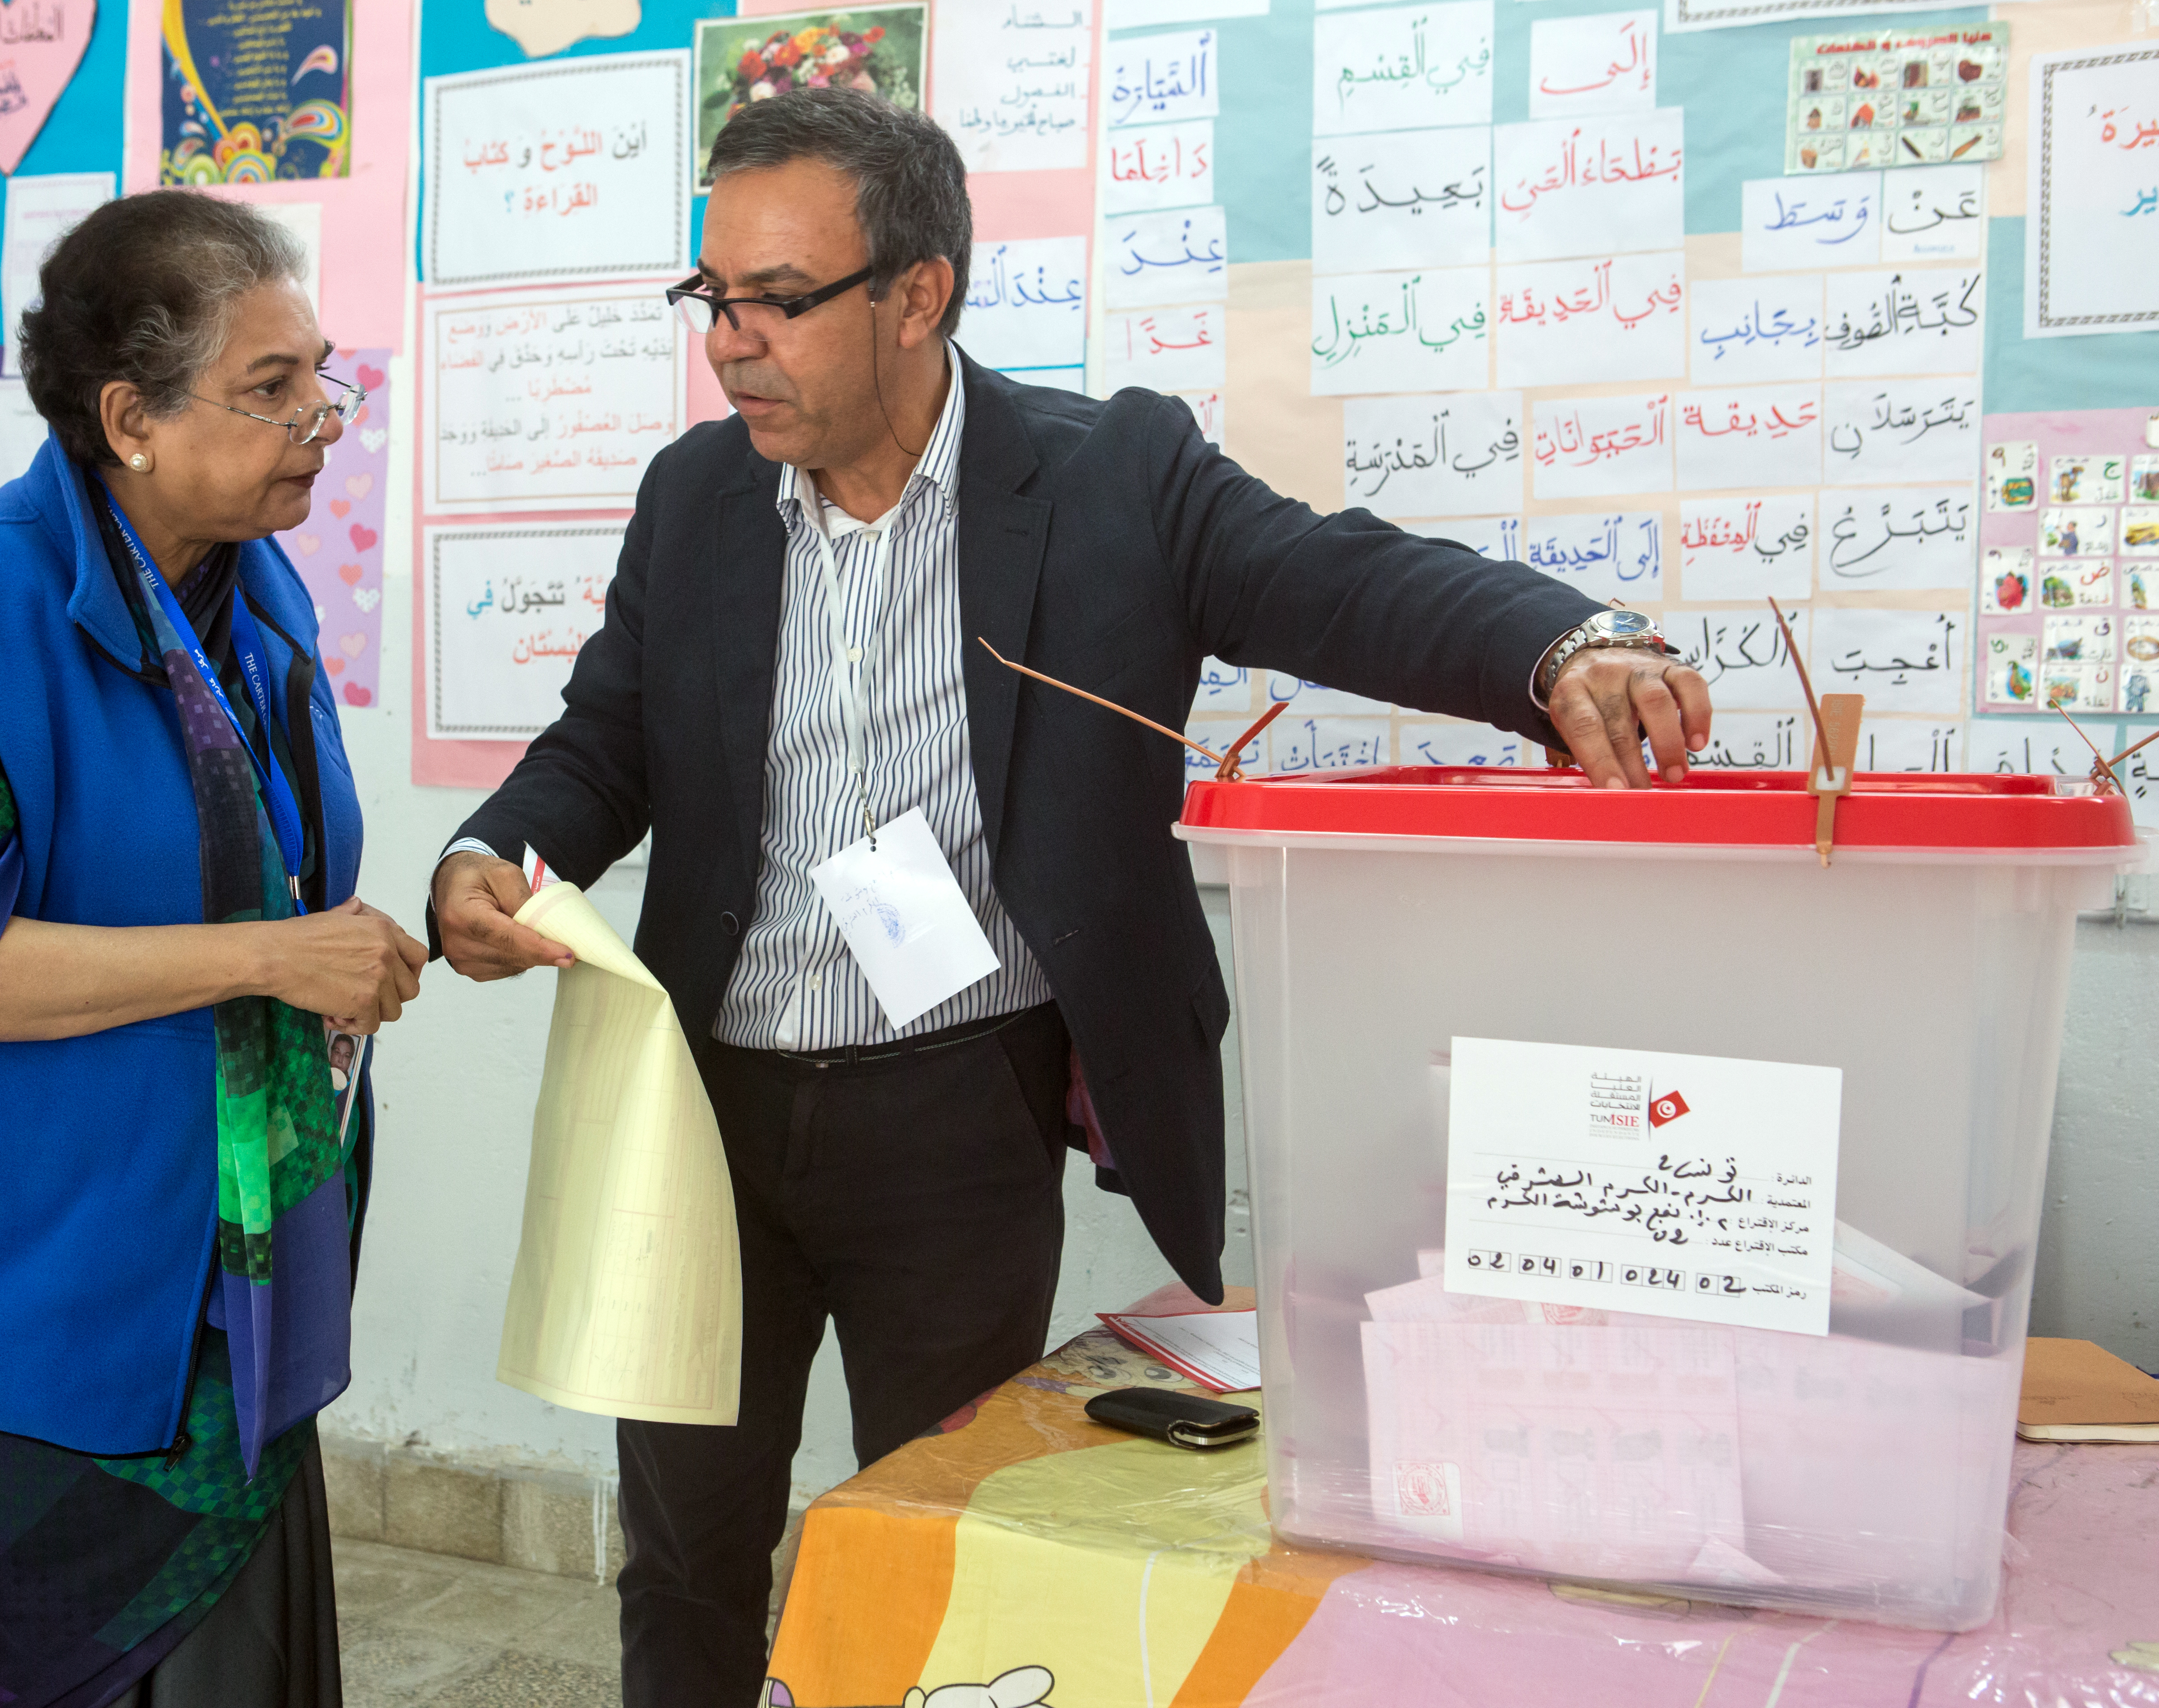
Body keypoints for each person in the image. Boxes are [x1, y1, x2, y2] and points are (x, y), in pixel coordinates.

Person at [428, 90, 1712, 1707]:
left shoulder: (1114, 478)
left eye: (779, 300)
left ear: (919, 292)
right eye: (714, 299)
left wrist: (1560, 647)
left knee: (945, 1541)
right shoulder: (696, 499)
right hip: (709, 1117)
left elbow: (1343, 578)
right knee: (686, 1545)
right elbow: (607, 741)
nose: (732, 345)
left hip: (957, 1120)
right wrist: (494, 856)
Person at [0, 192, 426, 1708]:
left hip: (234, 1272)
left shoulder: (248, 593)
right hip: (35, 1291)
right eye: (270, 391)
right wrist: (269, 960)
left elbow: (271, 863)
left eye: (320, 378)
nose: (319, 422)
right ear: (132, 418)